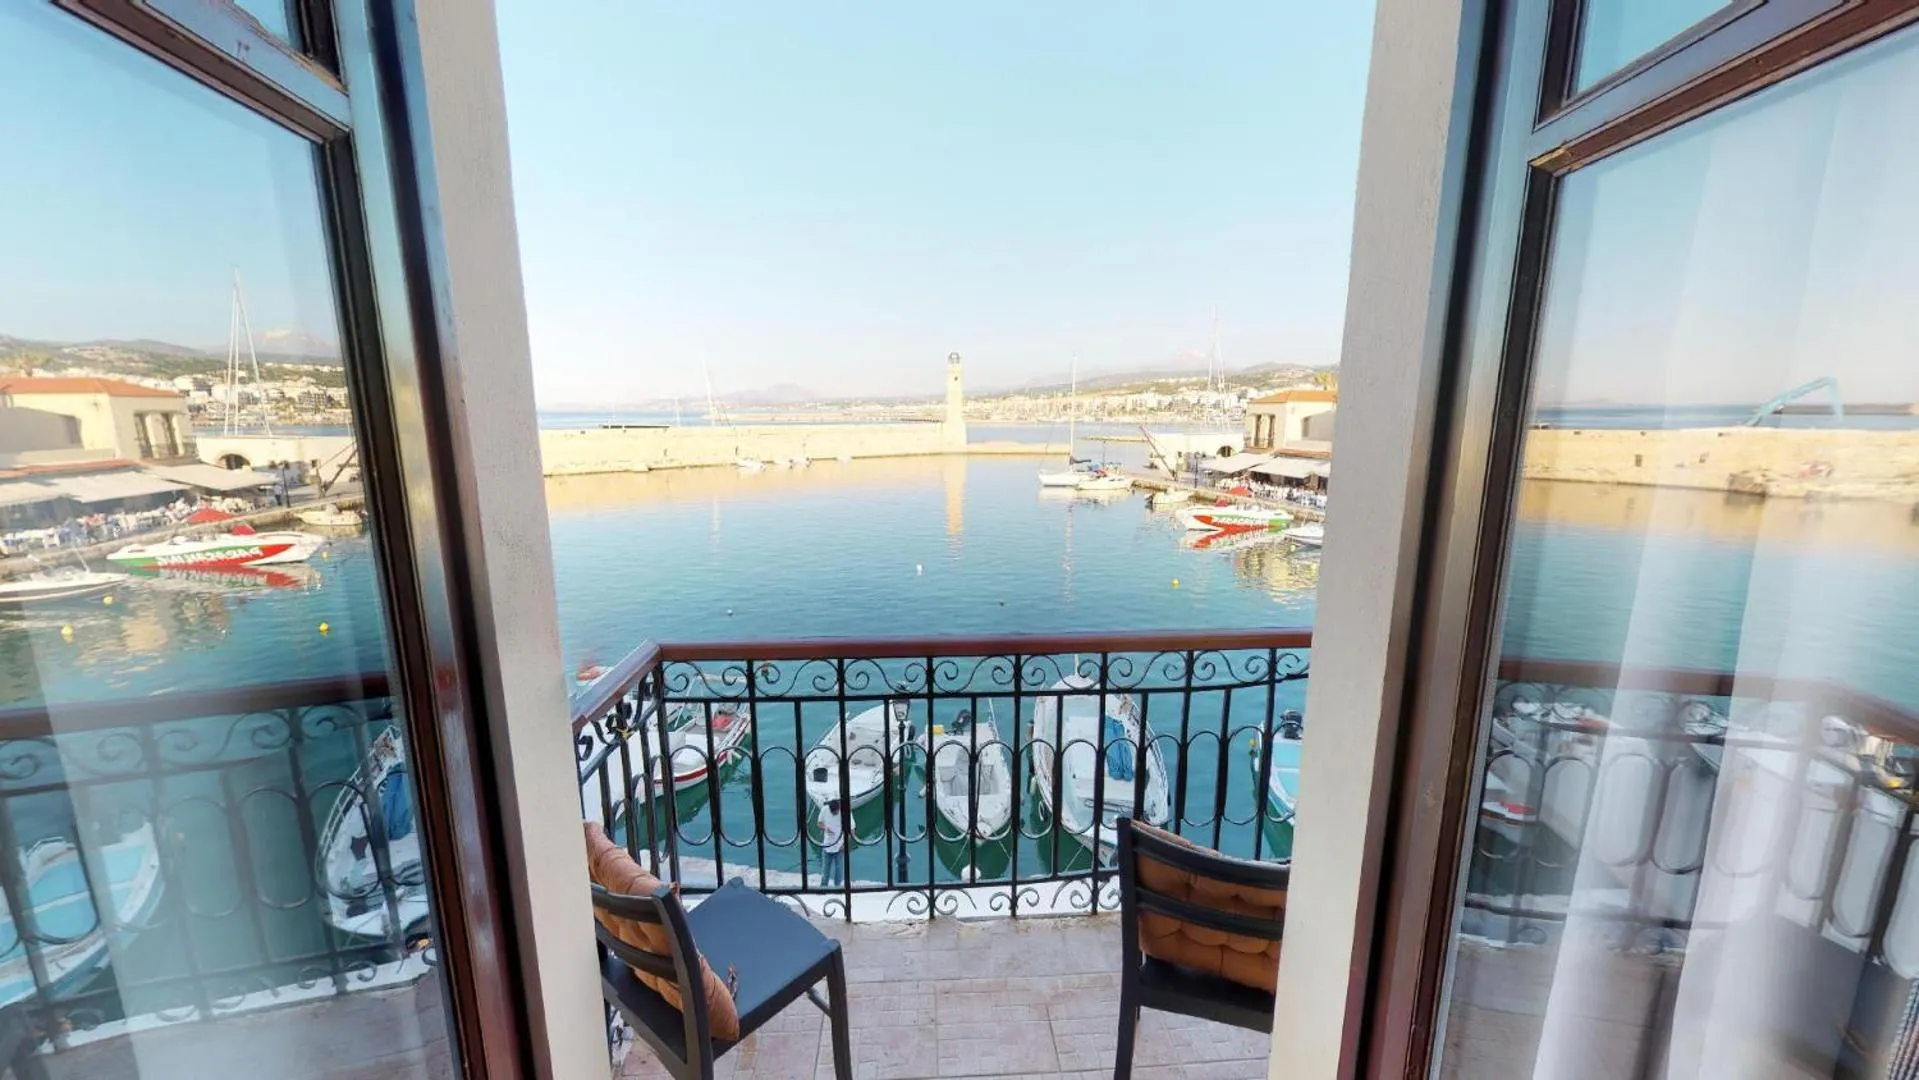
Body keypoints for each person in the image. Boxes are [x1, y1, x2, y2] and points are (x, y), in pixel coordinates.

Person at [819, 798, 845, 888]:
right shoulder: (824, 810)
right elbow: (819, 823)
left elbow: (851, 830)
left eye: (835, 812)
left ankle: (837, 888)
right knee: (825, 871)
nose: (834, 814)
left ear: (839, 809)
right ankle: (823, 888)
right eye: (832, 812)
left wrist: (844, 844)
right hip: (827, 845)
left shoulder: (844, 813)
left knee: (839, 870)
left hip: (839, 846)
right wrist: (825, 828)